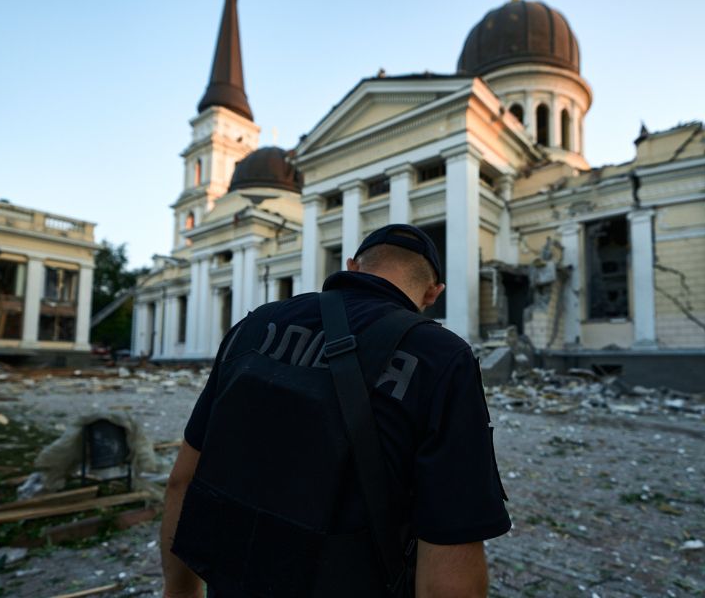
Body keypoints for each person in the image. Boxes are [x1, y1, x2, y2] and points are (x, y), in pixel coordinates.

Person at [161, 224, 511, 597]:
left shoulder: (254, 325)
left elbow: (183, 480)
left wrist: (179, 592)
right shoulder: (441, 357)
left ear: (352, 267)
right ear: (432, 292)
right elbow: (449, 548)